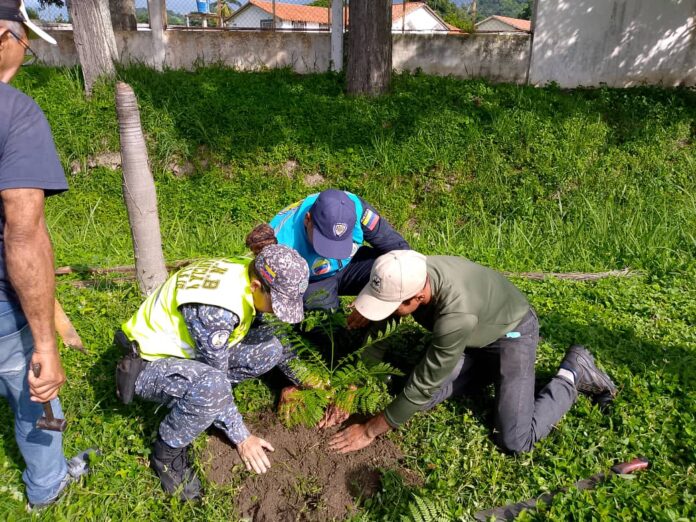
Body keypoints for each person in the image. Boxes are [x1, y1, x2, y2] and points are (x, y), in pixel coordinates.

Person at [328, 250, 618, 455]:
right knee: (411, 393)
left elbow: (422, 387)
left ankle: (573, 372)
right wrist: (354, 385)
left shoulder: (455, 314)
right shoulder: (405, 271)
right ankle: (495, 375)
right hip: (472, 335)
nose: (388, 312)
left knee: (515, 439)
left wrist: (368, 431)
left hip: (511, 334)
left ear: (418, 297)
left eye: (393, 306)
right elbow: (382, 332)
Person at [117, 245, 310, 500]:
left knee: (271, 346)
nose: (278, 310)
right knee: (212, 387)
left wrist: (310, 381)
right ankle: (166, 453)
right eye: (277, 303)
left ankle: (203, 405)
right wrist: (243, 438)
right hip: (148, 363)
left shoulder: (249, 267)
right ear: (255, 286)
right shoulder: (217, 311)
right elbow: (215, 375)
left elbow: (279, 342)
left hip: (193, 351)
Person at [0, 1, 76, 508]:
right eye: (25, 43)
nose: (24, 55)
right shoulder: (15, 114)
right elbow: (22, 236)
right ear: (4, 37)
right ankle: (48, 488)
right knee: (30, 387)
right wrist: (46, 345)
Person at [246, 189, 409, 311]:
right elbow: (266, 294)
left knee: (400, 274)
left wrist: (370, 300)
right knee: (327, 331)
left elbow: (400, 249)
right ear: (307, 219)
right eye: (323, 241)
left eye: (340, 241)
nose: (331, 252)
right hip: (312, 283)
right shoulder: (279, 244)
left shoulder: (354, 208)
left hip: (352, 265)